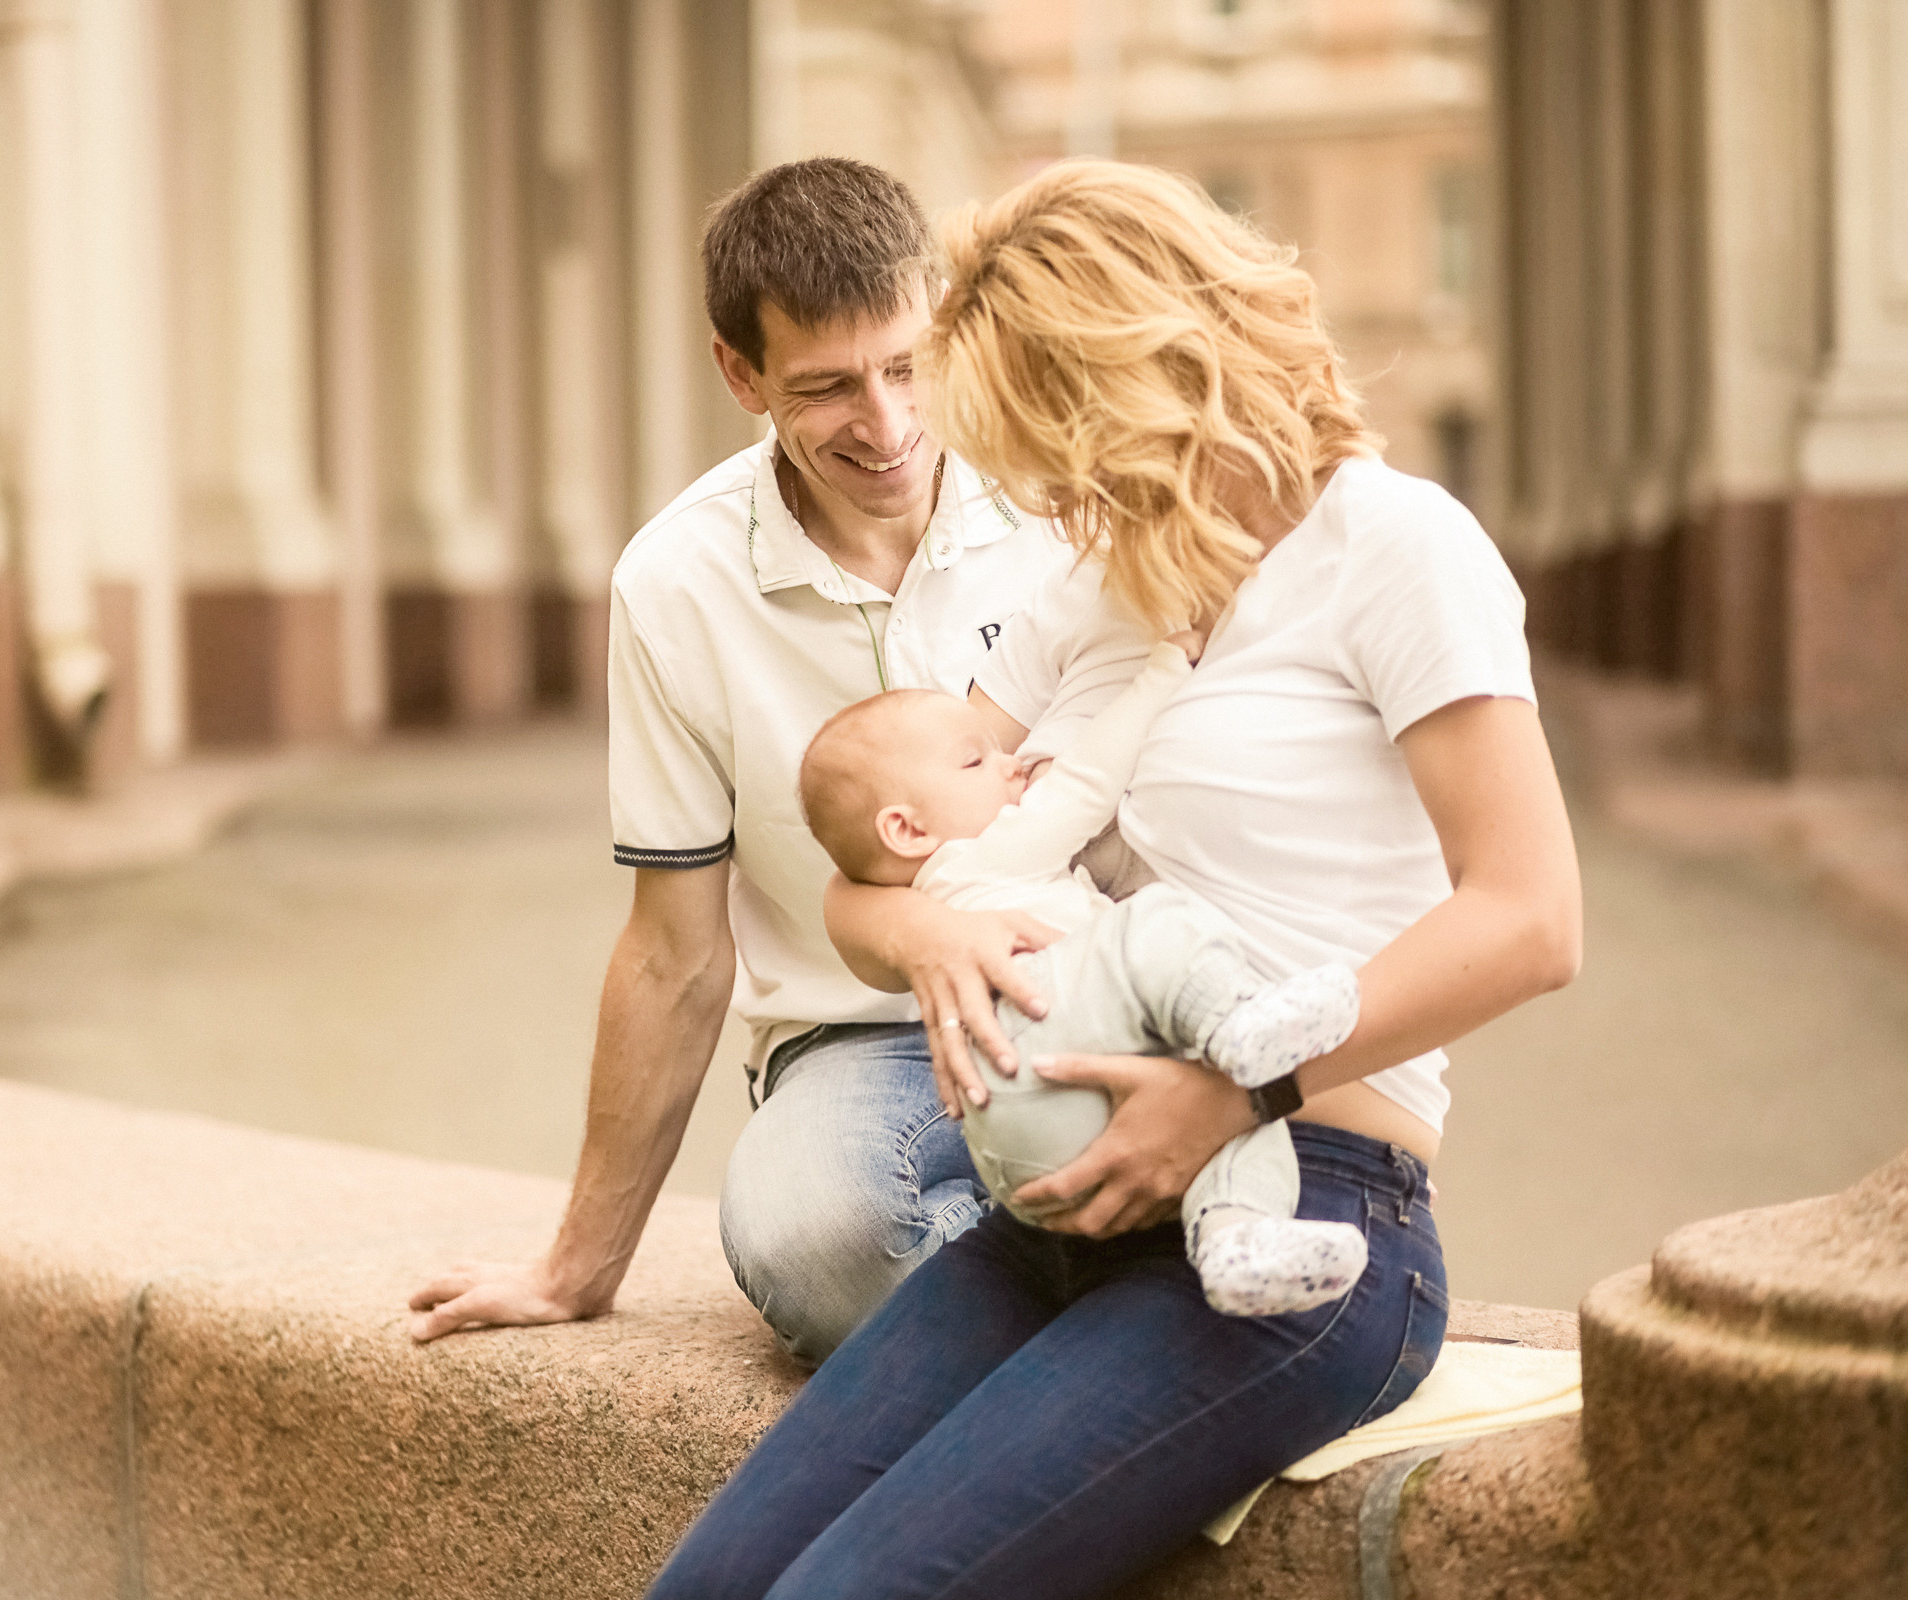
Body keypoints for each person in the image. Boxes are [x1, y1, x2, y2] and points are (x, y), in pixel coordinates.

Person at [650, 159, 1582, 1599]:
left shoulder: (1395, 551)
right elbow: (872, 868)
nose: (1044, 487)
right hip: (1060, 1213)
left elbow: (1530, 919)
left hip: (1309, 1214)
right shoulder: (1109, 580)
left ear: (1153, 363)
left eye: (1054, 428)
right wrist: (925, 935)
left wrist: (1242, 1090)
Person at [407, 159, 1071, 1366]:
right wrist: (577, 1266)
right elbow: (674, 949)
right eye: (827, 388)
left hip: (1090, 985)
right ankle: (1109, 1302)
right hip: (861, 1047)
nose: (887, 425)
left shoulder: (1058, 502)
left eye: (907, 365)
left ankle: (1023, 1300)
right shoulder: (676, 584)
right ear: (741, 373)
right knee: (815, 1241)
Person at [795, 652, 1370, 1318]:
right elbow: (1089, 781)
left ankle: (1237, 1243)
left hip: (1017, 1135)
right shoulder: (980, 856)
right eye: (975, 762)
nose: (1011, 762)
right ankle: (1236, 1023)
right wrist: (1162, 674)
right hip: (1058, 1048)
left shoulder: (955, 894)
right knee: (1157, 923)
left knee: (1229, 1120)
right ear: (908, 829)